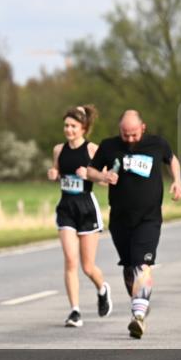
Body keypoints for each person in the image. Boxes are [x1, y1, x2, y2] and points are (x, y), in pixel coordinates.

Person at [87, 110, 181, 339]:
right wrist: (103, 177)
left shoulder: (157, 143)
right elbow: (90, 171)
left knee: (142, 263)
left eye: (134, 134)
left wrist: (177, 181)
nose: (129, 139)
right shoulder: (109, 146)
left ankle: (138, 316)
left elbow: (172, 159)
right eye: (125, 134)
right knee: (129, 266)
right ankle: (140, 303)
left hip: (148, 217)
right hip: (120, 218)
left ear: (143, 127)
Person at [47, 105, 111, 328]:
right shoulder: (58, 150)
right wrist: (54, 174)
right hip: (66, 207)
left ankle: (102, 288)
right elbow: (57, 171)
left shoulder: (93, 150)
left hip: (86, 208)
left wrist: (91, 175)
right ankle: (75, 310)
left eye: (73, 126)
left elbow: (106, 180)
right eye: (66, 126)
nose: (69, 130)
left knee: (87, 266)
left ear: (83, 128)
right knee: (70, 260)